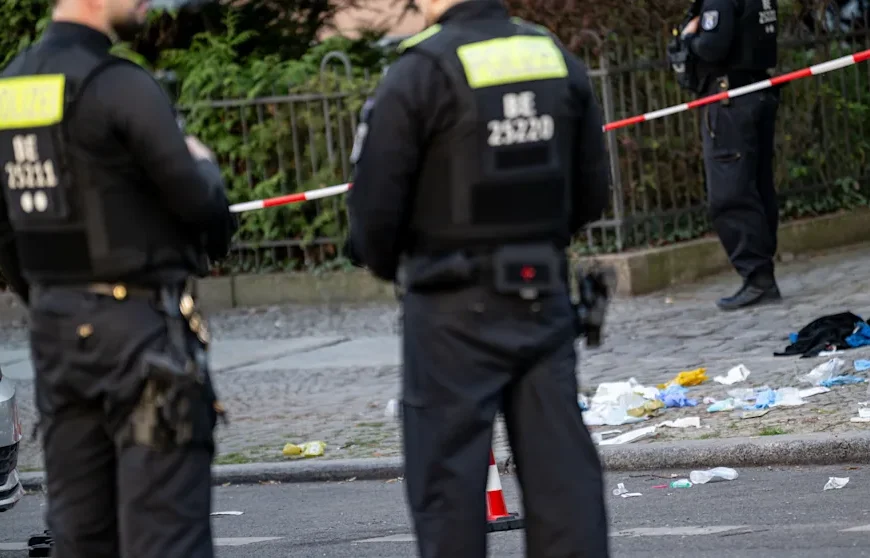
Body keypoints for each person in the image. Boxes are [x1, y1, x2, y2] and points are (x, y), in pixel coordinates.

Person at [346, 0, 611, 555]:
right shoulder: (551, 56)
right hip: (543, 296)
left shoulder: (419, 70)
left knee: (449, 499)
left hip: (450, 311)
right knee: (565, 488)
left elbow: (372, 222)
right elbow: (592, 195)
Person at [0, 0, 237, 556]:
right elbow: (207, 218)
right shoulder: (121, 85)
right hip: (141, 340)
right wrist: (203, 164)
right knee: (166, 532)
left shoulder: (10, 88)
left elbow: (6, 234)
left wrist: (54, 300)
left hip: (57, 339)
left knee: (83, 536)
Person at [680, 0, 781, 310]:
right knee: (756, 185)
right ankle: (761, 272)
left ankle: (757, 276)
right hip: (757, 90)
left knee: (730, 190)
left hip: (729, 100)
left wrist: (688, 37)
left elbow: (712, 47)